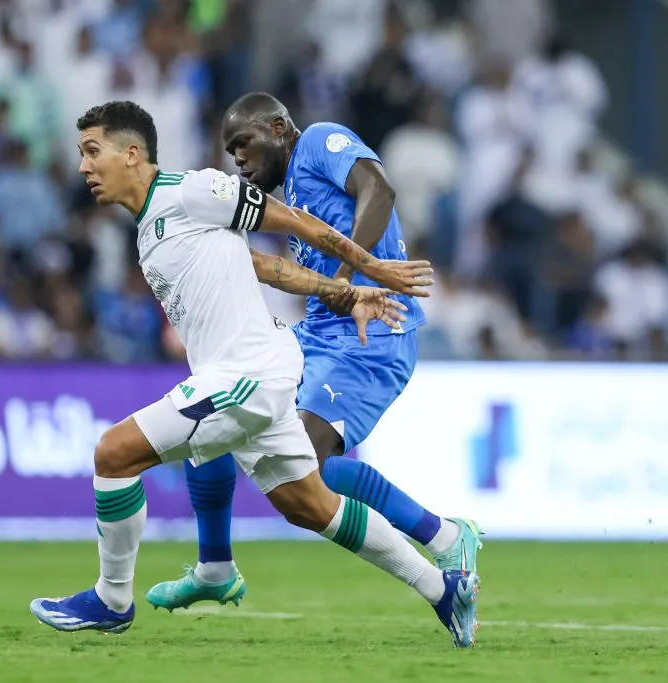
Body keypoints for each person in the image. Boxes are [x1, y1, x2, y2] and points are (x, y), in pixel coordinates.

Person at [29, 101, 479, 648]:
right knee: (311, 505)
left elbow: (289, 220)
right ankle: (441, 588)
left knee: (113, 453)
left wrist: (369, 266)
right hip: (256, 371)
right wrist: (349, 291)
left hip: (248, 374)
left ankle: (112, 599)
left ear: (131, 153)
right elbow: (270, 267)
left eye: (92, 151)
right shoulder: (151, 231)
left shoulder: (193, 190)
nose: (83, 166)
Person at [148, 93, 483, 618]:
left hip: (373, 334)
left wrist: (347, 284)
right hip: (316, 335)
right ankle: (214, 568)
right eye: (230, 150)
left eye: (245, 143)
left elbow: (380, 187)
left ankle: (444, 537)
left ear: (280, 128)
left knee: (309, 472)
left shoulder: (321, 143)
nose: (238, 158)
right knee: (210, 418)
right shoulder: (278, 202)